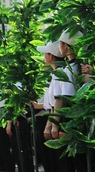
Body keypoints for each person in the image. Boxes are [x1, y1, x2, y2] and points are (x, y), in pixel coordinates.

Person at [51, 30, 87, 172]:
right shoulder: (82, 66)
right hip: (83, 117)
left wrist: (58, 125)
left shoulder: (68, 70)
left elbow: (64, 99)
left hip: (72, 119)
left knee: (75, 161)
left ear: (66, 47)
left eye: (61, 43)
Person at [33, 41, 69, 172]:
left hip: (55, 120)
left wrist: (51, 126)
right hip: (51, 118)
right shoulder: (56, 73)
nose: (44, 57)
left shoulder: (59, 73)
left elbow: (57, 102)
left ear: (51, 56)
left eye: (45, 54)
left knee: (57, 162)